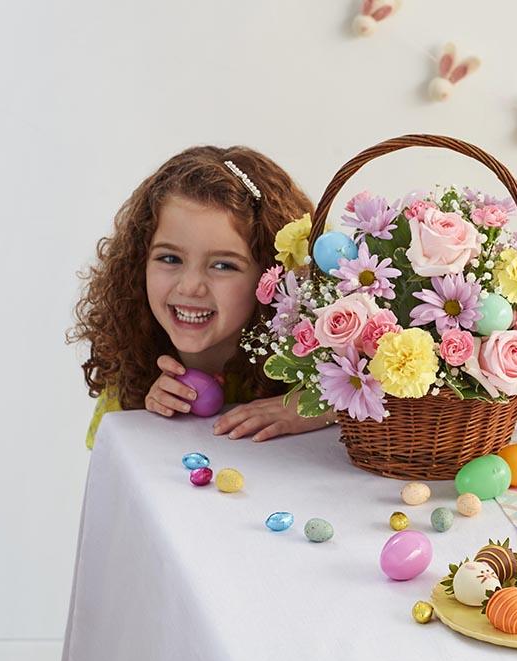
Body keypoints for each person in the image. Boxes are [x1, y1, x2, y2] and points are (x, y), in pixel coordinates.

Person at [69, 146, 333, 448]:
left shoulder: (309, 354)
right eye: (170, 259)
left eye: (223, 265)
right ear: (138, 262)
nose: (190, 286)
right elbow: (115, 478)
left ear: (271, 274)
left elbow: (387, 400)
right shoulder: (131, 366)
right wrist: (147, 414)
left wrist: (321, 406)